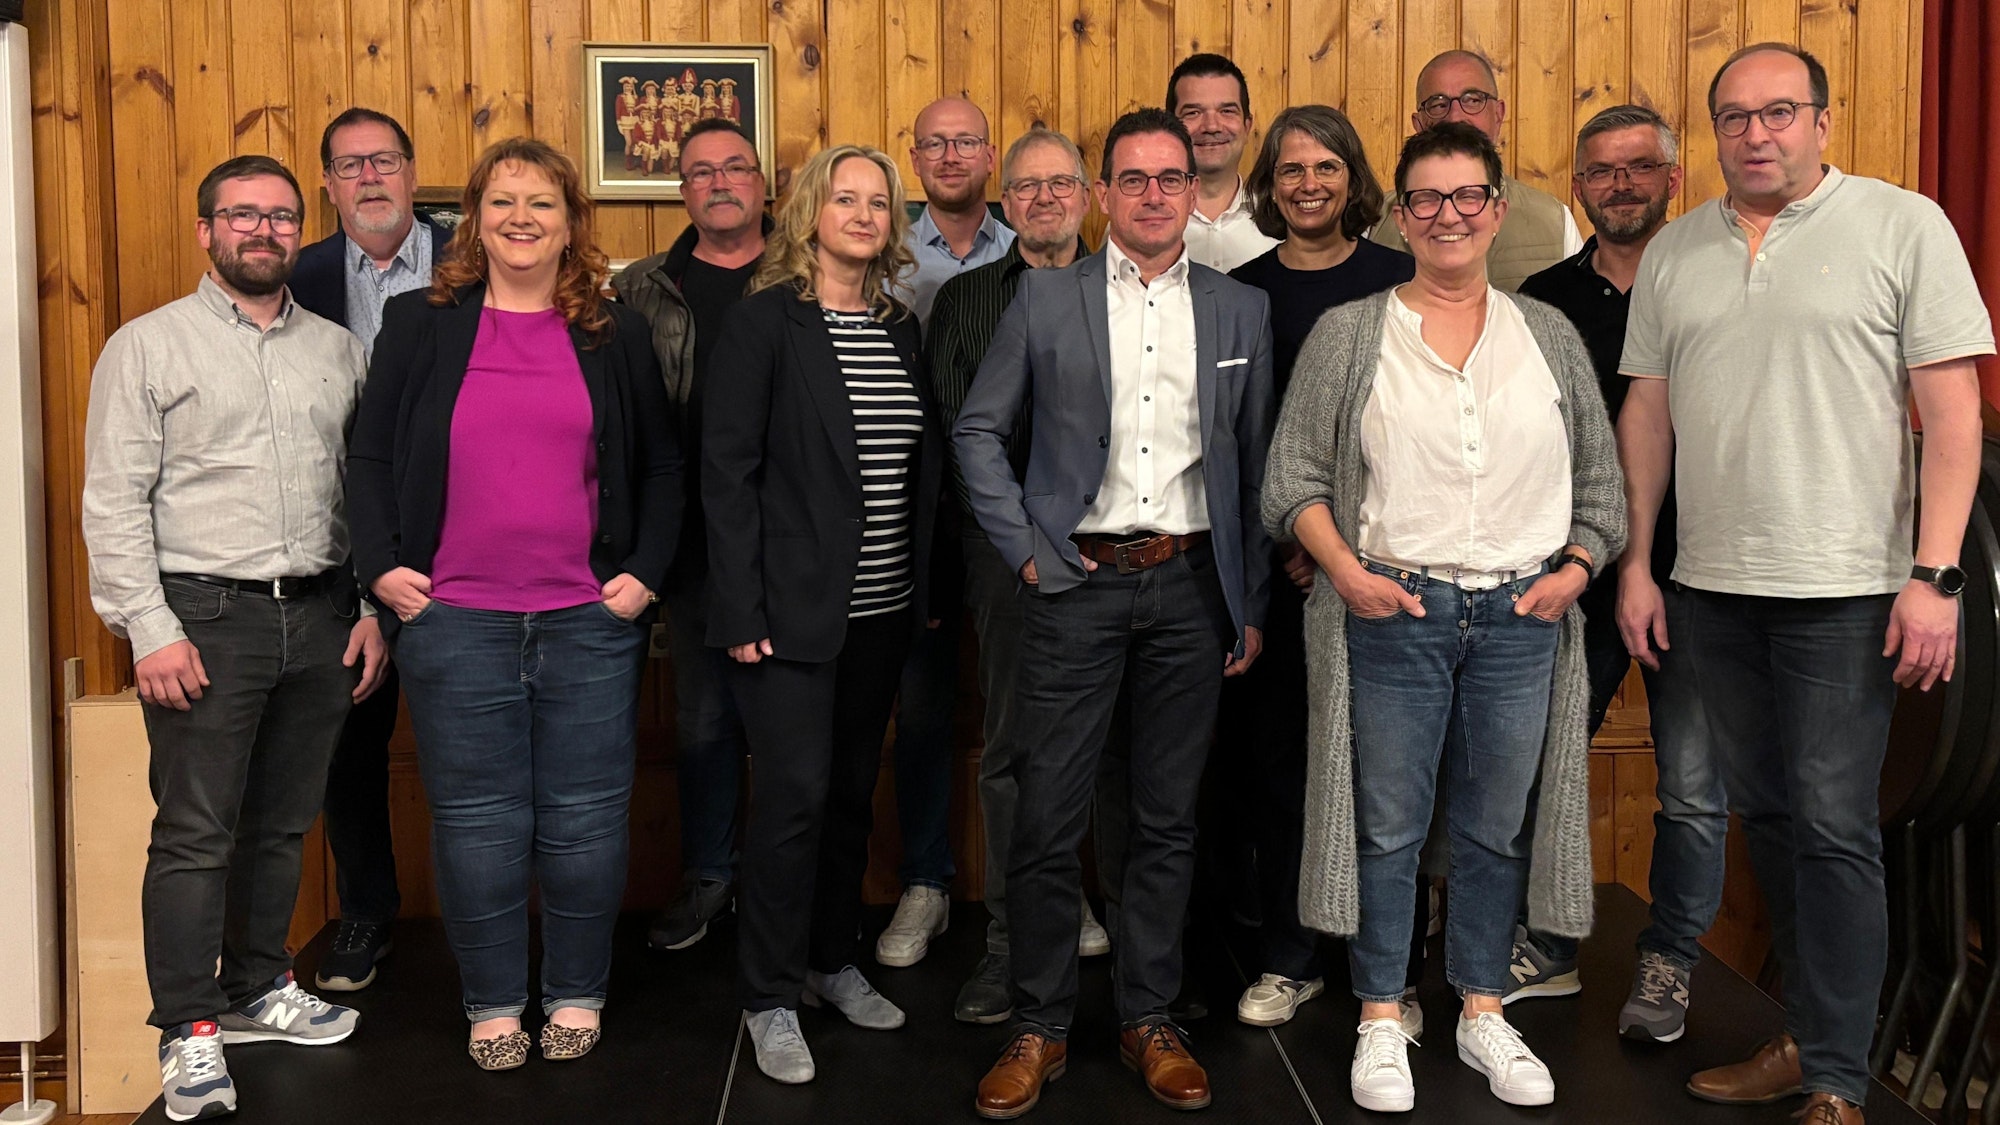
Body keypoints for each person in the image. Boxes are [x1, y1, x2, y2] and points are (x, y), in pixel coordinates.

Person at [1620, 44, 1993, 1125]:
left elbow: (1953, 414)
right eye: (1733, 117)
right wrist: (1639, 561)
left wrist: (1934, 575)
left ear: (1820, 122)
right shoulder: (1677, 250)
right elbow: (1646, 416)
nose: (1756, 134)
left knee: (1834, 828)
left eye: (1777, 112)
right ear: (1711, 134)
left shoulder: (1901, 225)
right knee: (1769, 819)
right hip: (1710, 589)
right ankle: (1804, 1041)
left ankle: (1836, 1079)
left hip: (1849, 591)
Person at [1266, 122, 1624, 1113]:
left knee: (1491, 829)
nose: (1446, 215)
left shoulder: (1544, 335)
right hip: (1395, 609)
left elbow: (1601, 489)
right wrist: (1344, 572)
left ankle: (1477, 1011)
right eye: (1424, 198)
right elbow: (1291, 480)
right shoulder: (1351, 334)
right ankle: (1382, 1014)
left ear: (1495, 211)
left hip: (1520, 616)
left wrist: (1575, 568)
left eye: (1466, 196)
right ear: (1398, 215)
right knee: (1385, 826)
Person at [959, 107, 1276, 1118]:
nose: (1150, 195)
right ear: (1102, 195)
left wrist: (1247, 602)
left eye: (1168, 179)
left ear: (1190, 190)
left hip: (1189, 590)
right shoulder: (1044, 304)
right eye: (1130, 179)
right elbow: (975, 433)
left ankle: (1148, 1016)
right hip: (1073, 584)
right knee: (1048, 816)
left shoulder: (1238, 312)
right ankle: (1037, 1026)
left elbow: (1253, 465)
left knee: (1164, 818)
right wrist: (1026, 553)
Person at [346, 137, 683, 1072]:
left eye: (541, 202)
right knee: (479, 824)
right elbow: (369, 456)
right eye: (502, 202)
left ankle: (576, 989)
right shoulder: (422, 322)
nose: (521, 219)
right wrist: (380, 568)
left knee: (583, 821)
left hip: (587, 619)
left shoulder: (611, 331)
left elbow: (661, 464)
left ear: (571, 221)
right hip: (452, 622)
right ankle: (494, 1000)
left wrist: (646, 573)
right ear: (475, 220)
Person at [82, 154, 386, 1123]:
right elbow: (113, 500)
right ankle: (188, 1027)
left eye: (282, 217)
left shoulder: (337, 349)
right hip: (204, 619)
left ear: (302, 230)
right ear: (207, 231)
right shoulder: (148, 346)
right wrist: (149, 628)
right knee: (195, 833)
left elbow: (361, 494)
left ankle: (259, 987)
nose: (264, 231)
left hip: (322, 614)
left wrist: (370, 609)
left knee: (286, 822)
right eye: (242, 216)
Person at [703, 144, 944, 1085]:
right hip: (787, 619)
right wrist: (741, 607)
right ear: (809, 214)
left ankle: (829, 961)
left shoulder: (899, 328)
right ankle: (767, 996)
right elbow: (727, 476)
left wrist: (921, 589)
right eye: (844, 198)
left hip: (882, 611)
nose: (861, 214)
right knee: (794, 801)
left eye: (877, 202)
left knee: (850, 795)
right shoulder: (765, 325)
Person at [1508, 104, 1724, 1046]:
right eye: (1601, 170)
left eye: (1640, 167)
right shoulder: (1544, 298)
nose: (1621, 184)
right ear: (1579, 183)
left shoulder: (1716, 281)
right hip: (1577, 573)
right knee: (1547, 766)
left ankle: (1669, 957)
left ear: (1671, 178)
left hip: (1706, 575)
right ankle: (1546, 946)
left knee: (1694, 784)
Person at [1223, 104, 1414, 1028]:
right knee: (1282, 769)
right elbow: (1241, 438)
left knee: (1389, 771)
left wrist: (1354, 549)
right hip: (1283, 570)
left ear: (1353, 178)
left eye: (1326, 167)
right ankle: (1289, 957)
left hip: (1390, 566)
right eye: (1291, 168)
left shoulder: (1402, 279)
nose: (1308, 184)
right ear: (1269, 183)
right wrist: (1298, 545)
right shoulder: (1242, 291)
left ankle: (1390, 967)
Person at [926, 127, 1110, 1025]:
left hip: (1118, 558)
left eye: (1059, 184)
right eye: (1026, 188)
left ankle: (1116, 936)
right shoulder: (965, 301)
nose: (1043, 200)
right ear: (1006, 202)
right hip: (1008, 562)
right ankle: (1010, 944)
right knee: (1010, 754)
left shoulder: (1133, 292)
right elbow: (967, 442)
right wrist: (1028, 546)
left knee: (1117, 753)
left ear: (1088, 196)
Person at [288, 106, 451, 996]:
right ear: (328, 183)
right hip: (347, 543)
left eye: (383, 159)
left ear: (412, 169)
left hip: (462, 543)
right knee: (350, 741)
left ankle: (492, 925)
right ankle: (366, 911)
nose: (370, 178)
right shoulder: (302, 273)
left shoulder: (474, 257)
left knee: (477, 742)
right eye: (349, 165)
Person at [612, 117, 770, 955]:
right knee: (705, 723)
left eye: (735, 168)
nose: (719, 183)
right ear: (682, 192)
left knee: (795, 729)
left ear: (762, 183)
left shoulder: (804, 273)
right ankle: (711, 876)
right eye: (701, 171)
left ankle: (792, 893)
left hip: (794, 542)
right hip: (692, 545)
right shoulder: (642, 289)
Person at [873, 95, 1017, 969]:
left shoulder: (1033, 243)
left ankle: (1040, 880)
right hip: (913, 511)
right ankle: (924, 880)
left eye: (969, 140)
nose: (953, 154)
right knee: (921, 706)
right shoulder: (885, 253)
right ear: (915, 155)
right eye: (936, 142)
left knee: (1026, 710)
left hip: (1011, 518)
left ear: (990, 154)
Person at [1369, 50, 1583, 290]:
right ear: (1418, 124)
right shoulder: (1375, 222)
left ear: (1498, 114)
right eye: (1438, 105)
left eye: (1473, 100)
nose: (1456, 116)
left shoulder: (1554, 220)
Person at [1167, 53, 1279, 273]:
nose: (1211, 126)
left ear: (1247, 126)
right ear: (1171, 126)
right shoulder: (1141, 217)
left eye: (1227, 111)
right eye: (1193, 112)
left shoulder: (1283, 217)